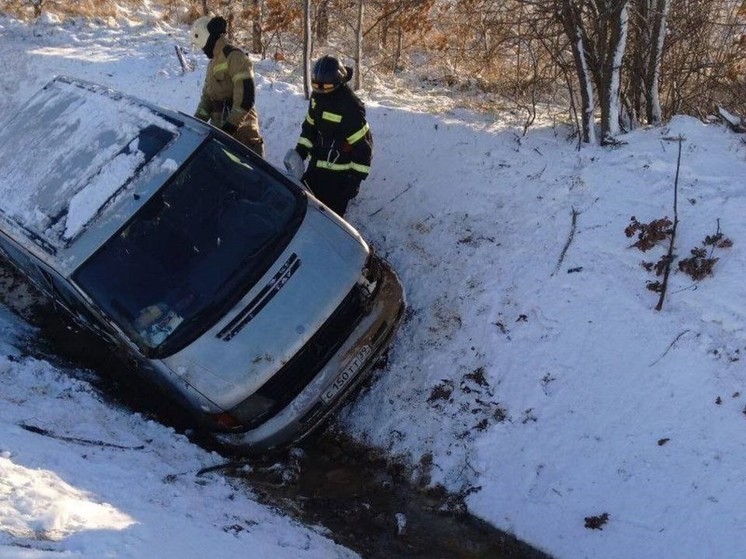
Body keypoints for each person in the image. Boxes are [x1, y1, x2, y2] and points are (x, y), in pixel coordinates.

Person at [284, 55, 373, 217]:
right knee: (304, 208)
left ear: (338, 82)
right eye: (316, 86)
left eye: (325, 86)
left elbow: (363, 148)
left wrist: (354, 180)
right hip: (316, 167)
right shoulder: (317, 97)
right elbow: (309, 128)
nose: (320, 90)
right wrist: (300, 152)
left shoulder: (350, 106)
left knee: (330, 220)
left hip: (339, 176)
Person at [190, 15, 265, 157]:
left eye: (201, 46)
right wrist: (195, 124)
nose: (202, 50)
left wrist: (228, 129)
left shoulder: (235, 57)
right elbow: (207, 98)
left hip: (242, 137)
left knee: (245, 178)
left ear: (206, 37)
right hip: (221, 134)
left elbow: (245, 99)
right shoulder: (212, 63)